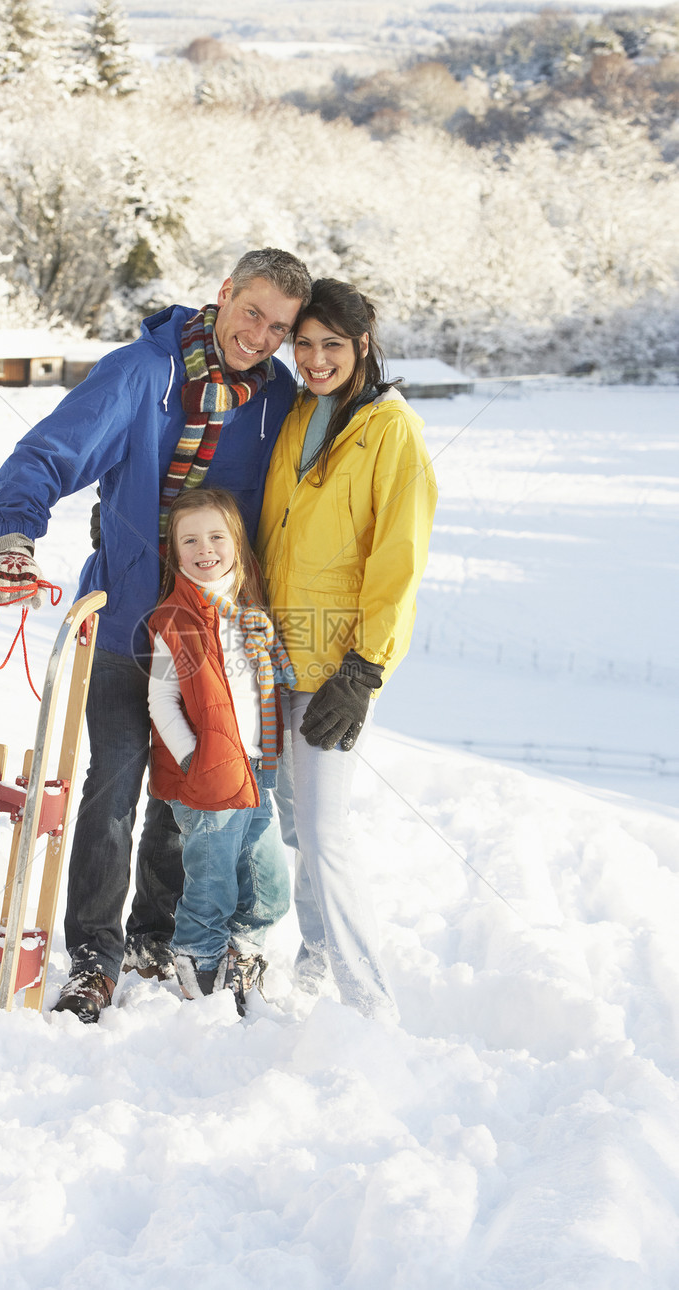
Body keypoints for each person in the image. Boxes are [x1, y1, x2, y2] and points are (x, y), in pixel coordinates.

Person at [0, 248, 312, 1022]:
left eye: (280, 327)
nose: (261, 336)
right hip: (130, 622)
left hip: (211, 639)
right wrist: (14, 539)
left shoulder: (277, 399)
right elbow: (50, 452)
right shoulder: (144, 371)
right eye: (252, 313)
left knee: (185, 791)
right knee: (113, 791)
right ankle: (93, 957)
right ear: (224, 294)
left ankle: (152, 939)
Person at [255, 278, 438, 1020]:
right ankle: (316, 957)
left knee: (326, 832)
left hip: (336, 665)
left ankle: (371, 1003)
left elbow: (399, 560)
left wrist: (364, 670)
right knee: (295, 825)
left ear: (363, 343)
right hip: (275, 653)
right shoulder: (299, 412)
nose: (316, 358)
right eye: (304, 343)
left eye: (332, 344)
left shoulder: (392, 431)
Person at [147, 488, 295, 1014]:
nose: (204, 548)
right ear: (175, 550)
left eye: (216, 536)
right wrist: (193, 759)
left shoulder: (249, 612)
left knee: (268, 879)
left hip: (253, 768)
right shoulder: (176, 617)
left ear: (237, 542)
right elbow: (161, 699)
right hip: (207, 776)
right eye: (190, 539)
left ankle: (243, 946)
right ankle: (198, 958)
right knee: (211, 881)